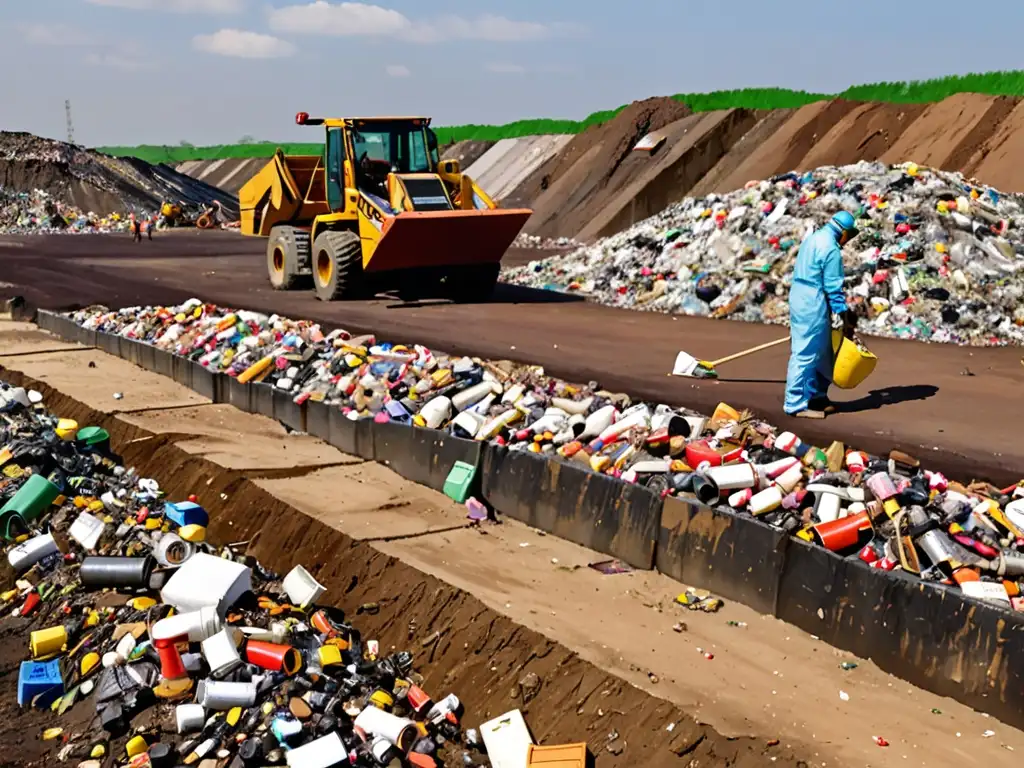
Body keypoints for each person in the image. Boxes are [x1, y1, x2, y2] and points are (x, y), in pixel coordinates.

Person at [783, 210, 858, 419]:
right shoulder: (831, 249)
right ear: (844, 232)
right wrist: (842, 314)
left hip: (799, 294)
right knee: (805, 352)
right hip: (812, 300)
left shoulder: (814, 238)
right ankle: (795, 403)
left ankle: (816, 396)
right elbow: (833, 286)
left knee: (823, 350)